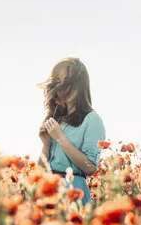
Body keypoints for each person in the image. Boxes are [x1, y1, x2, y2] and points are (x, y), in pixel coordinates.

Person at [37, 57, 105, 206]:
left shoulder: (92, 119)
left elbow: (90, 168)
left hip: (74, 192)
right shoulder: (57, 118)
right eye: (57, 80)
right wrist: (46, 144)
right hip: (50, 192)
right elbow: (40, 170)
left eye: (66, 80)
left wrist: (61, 139)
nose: (61, 87)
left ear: (79, 85)